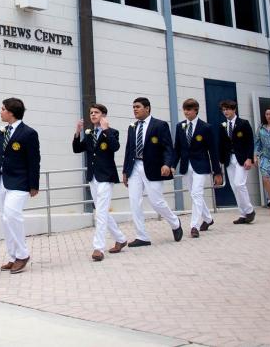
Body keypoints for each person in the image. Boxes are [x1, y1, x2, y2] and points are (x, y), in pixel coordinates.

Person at [0, 97, 41, 274]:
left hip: (20, 182)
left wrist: (34, 185)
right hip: (1, 181)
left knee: (12, 215)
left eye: (2, 109)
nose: (0, 111)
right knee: (4, 219)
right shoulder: (2, 131)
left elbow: (34, 161)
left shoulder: (29, 133)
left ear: (11, 112)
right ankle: (13, 257)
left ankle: (23, 255)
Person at [121, 97, 183, 246]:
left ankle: (175, 222)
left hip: (153, 167)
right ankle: (142, 236)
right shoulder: (132, 127)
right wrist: (125, 171)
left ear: (147, 108)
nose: (135, 109)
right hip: (134, 167)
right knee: (134, 202)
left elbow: (168, 147)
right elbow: (129, 149)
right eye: (133, 107)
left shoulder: (160, 125)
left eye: (138, 107)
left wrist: (167, 164)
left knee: (156, 202)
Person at [72, 103, 127, 261]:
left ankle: (98, 248)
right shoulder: (89, 134)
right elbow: (77, 149)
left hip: (106, 176)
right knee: (101, 211)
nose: (93, 115)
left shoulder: (112, 132)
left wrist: (106, 130)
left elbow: (115, 147)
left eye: (96, 112)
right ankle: (121, 239)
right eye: (91, 112)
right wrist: (78, 132)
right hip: (93, 177)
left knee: (101, 213)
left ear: (103, 115)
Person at [173, 98, 221, 238]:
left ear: (196, 110)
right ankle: (208, 219)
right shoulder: (180, 126)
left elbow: (213, 151)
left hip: (201, 165)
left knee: (196, 193)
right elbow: (177, 148)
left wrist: (217, 172)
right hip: (186, 165)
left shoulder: (206, 127)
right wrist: (171, 165)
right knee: (194, 194)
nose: (186, 112)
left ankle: (194, 226)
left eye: (189, 109)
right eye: (185, 109)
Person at [217, 100, 256, 225]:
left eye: (228, 109)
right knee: (234, 187)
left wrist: (249, 158)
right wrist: (220, 160)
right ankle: (243, 213)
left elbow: (250, 142)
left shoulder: (243, 123)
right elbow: (221, 144)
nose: (226, 112)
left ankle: (249, 210)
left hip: (241, 158)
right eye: (223, 110)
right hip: (229, 159)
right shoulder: (222, 125)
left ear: (234, 110)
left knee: (240, 184)